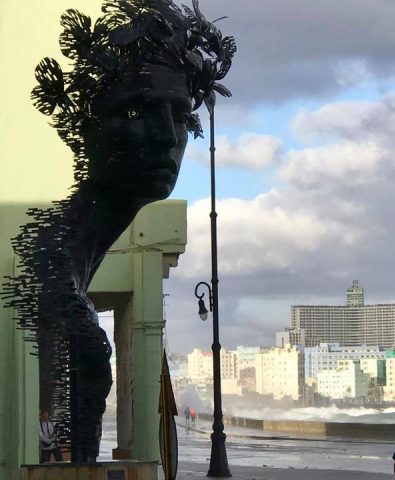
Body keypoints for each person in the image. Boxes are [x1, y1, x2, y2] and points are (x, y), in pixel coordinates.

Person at [4, 0, 235, 463]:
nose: (168, 136)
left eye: (180, 113)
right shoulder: (49, 275)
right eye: (136, 112)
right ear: (82, 124)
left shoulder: (68, 266)